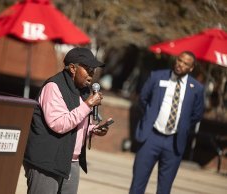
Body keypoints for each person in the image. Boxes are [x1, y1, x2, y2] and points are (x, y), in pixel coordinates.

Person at [23, 47, 112, 194]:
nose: (92, 74)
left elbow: (77, 122)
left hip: (71, 161)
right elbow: (58, 124)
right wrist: (88, 105)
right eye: (89, 69)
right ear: (72, 68)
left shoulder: (83, 91)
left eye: (94, 70)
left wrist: (92, 130)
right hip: (47, 161)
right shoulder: (54, 87)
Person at [129, 51, 205, 194]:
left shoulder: (197, 89)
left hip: (174, 143)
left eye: (185, 63)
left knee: (164, 189)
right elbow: (143, 99)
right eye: (179, 60)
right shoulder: (157, 77)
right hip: (150, 137)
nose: (180, 65)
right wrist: (149, 117)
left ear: (191, 68)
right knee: (137, 185)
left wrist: (183, 127)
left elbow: (197, 114)